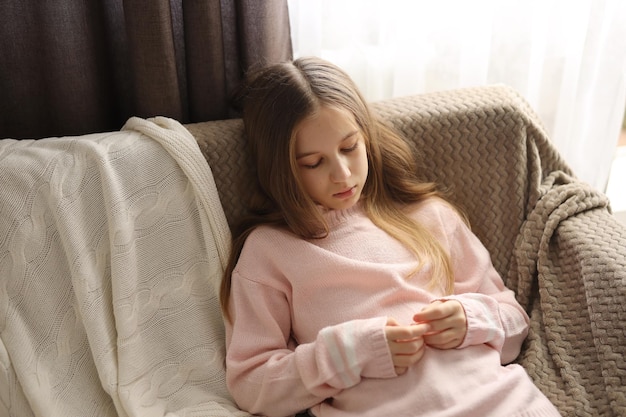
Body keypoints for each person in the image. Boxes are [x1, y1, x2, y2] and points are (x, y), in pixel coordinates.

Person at [220, 56, 561, 417]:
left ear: (366, 137)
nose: (342, 173)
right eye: (313, 163)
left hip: (508, 404)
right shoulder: (270, 250)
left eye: (350, 147)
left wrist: (471, 319)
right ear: (281, 169)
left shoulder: (431, 215)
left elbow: (514, 322)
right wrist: (348, 353)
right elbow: (251, 385)